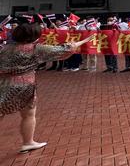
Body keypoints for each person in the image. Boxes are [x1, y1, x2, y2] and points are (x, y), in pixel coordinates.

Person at [0, 19, 94, 152]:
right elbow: (64, 49)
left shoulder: (5, 48)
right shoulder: (36, 48)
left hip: (2, 83)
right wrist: (83, 41)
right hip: (24, 84)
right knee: (28, 115)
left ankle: (29, 143)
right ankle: (28, 142)